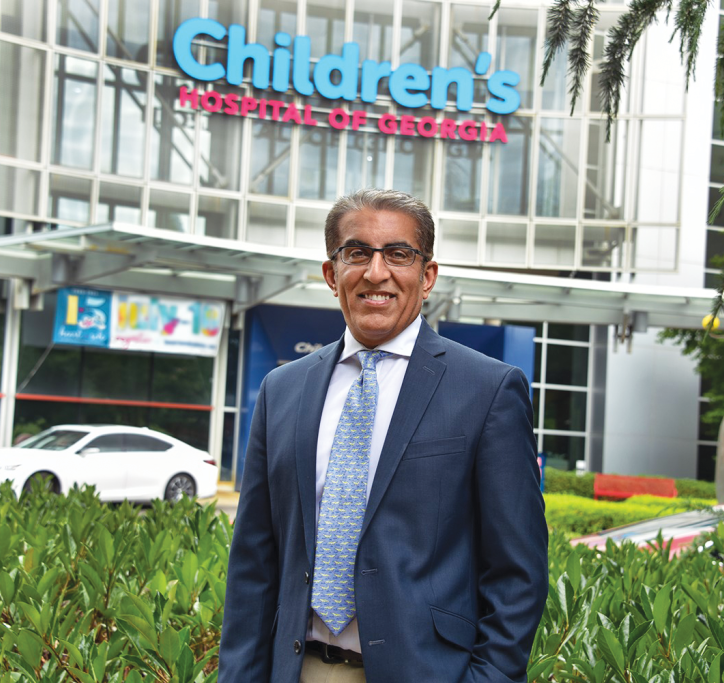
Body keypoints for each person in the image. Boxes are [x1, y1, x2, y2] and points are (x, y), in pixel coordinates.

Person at [218, 189, 548, 683]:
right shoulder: (281, 390)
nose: (377, 273)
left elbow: (517, 571)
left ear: (427, 275)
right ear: (332, 275)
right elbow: (254, 563)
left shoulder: (488, 389)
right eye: (357, 253)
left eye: (399, 254)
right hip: (297, 669)